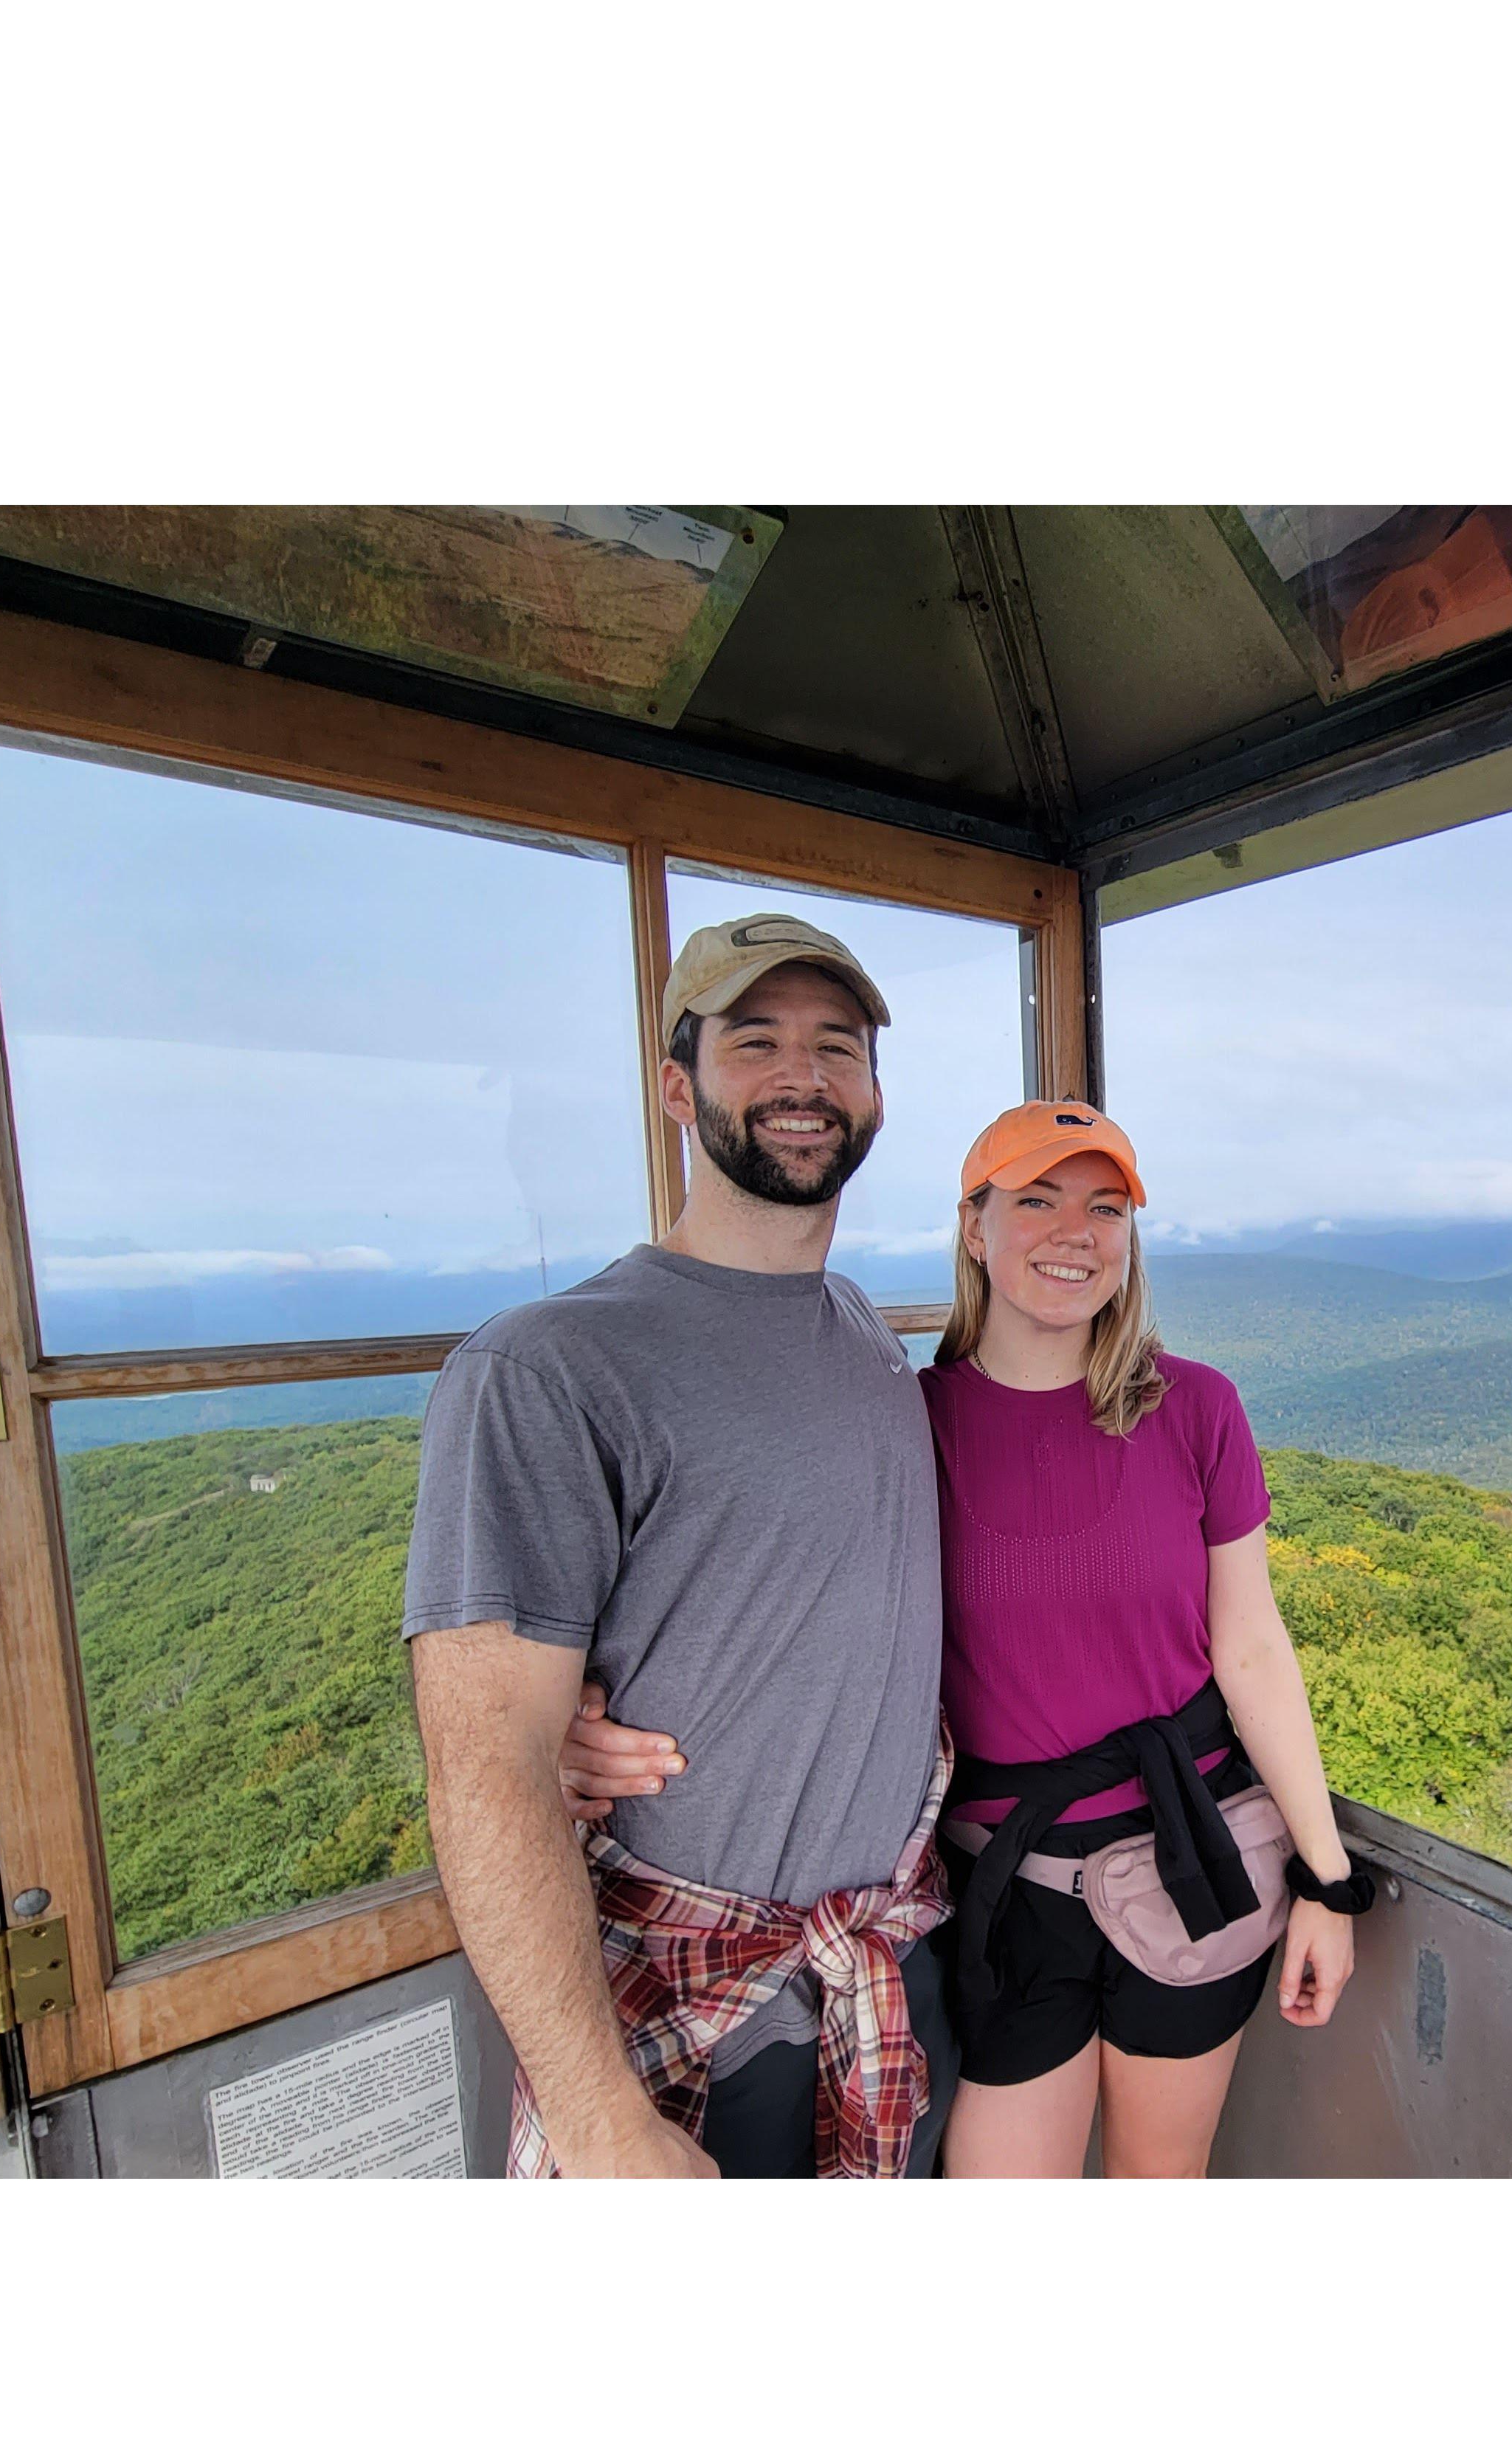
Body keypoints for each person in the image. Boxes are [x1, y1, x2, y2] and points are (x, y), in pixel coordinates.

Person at [561, 1098, 1373, 2176]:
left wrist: (1327, 1882)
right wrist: (580, 1715)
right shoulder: (903, 1417)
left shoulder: (1196, 1410)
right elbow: (774, 1594)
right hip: (1004, 1892)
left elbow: (1253, 1648)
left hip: (1196, 1861)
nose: (1073, 1232)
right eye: (1034, 1200)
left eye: (1104, 1206)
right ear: (974, 1229)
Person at [402, 912, 955, 2179]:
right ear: (675, 1083)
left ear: (873, 1093)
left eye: (837, 1048)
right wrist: (597, 2117)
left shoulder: (862, 1329)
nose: (803, 1079)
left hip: (884, 1978)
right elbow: (481, 1760)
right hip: (695, 2032)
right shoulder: (546, 1367)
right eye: (755, 1041)